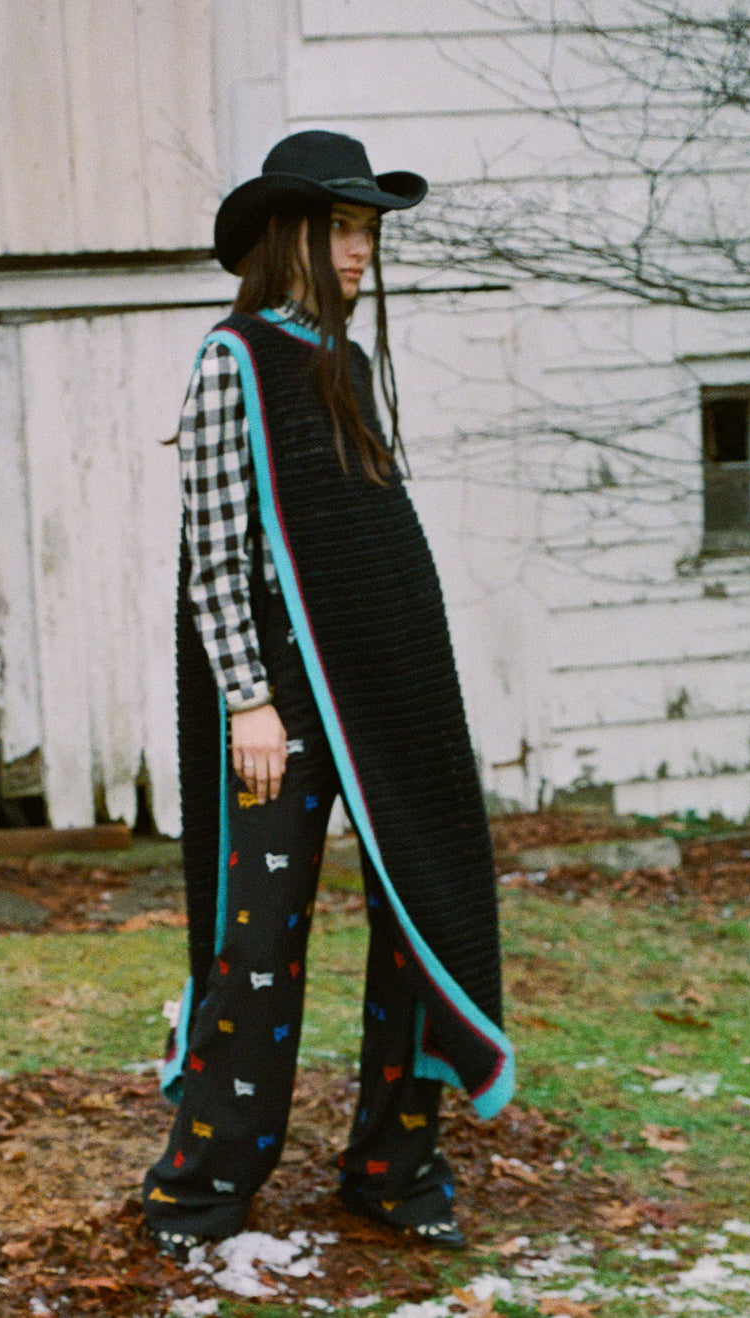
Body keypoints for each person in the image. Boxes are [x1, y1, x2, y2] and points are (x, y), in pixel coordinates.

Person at [142, 130, 514, 1260]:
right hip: (283, 703)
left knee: (417, 920)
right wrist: (247, 700)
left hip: (387, 687)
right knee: (260, 941)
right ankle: (204, 1185)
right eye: (345, 229)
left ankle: (391, 1168)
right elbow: (216, 557)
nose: (363, 252)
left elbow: (365, 543)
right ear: (290, 235)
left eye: (370, 232)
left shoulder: (342, 365)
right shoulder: (233, 361)